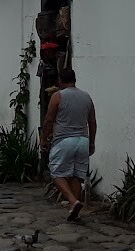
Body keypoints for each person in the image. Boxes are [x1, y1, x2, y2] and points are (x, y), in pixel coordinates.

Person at [40, 68, 97, 221]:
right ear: (74, 80)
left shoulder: (58, 96)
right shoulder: (86, 97)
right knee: (77, 176)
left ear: (60, 80)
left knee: (57, 173)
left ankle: (73, 201)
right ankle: (75, 211)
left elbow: (49, 120)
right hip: (83, 140)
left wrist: (43, 139)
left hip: (64, 140)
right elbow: (92, 121)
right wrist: (92, 142)